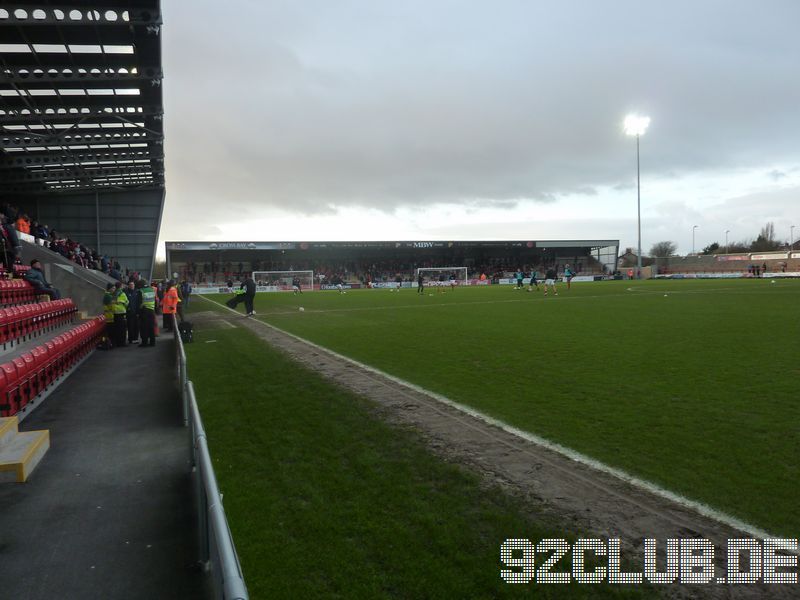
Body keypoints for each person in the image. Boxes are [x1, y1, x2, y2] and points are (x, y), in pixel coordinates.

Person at [138, 280, 157, 347]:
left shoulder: (141, 291)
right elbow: (155, 299)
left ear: (140, 285)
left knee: (144, 327)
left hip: (144, 310)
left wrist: (139, 311)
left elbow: (139, 303)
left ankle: (144, 342)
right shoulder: (152, 290)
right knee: (151, 327)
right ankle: (152, 342)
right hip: (152, 310)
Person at [111, 281, 129, 347]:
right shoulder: (122, 294)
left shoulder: (113, 293)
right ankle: (122, 343)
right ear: (121, 286)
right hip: (121, 313)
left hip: (114, 313)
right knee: (122, 329)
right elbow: (127, 303)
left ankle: (117, 342)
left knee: (116, 328)